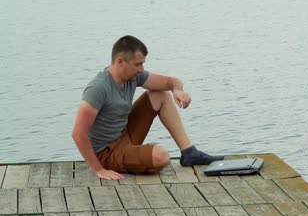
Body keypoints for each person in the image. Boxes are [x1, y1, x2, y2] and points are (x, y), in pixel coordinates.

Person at [72, 35, 223, 180]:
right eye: (137, 64)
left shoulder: (133, 76)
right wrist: (99, 169)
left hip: (124, 135)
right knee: (161, 156)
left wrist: (177, 90)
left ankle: (189, 153)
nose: (141, 69)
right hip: (106, 153)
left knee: (161, 95)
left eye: (142, 63)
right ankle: (132, 160)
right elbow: (78, 134)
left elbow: (170, 81)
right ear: (120, 62)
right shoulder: (98, 88)